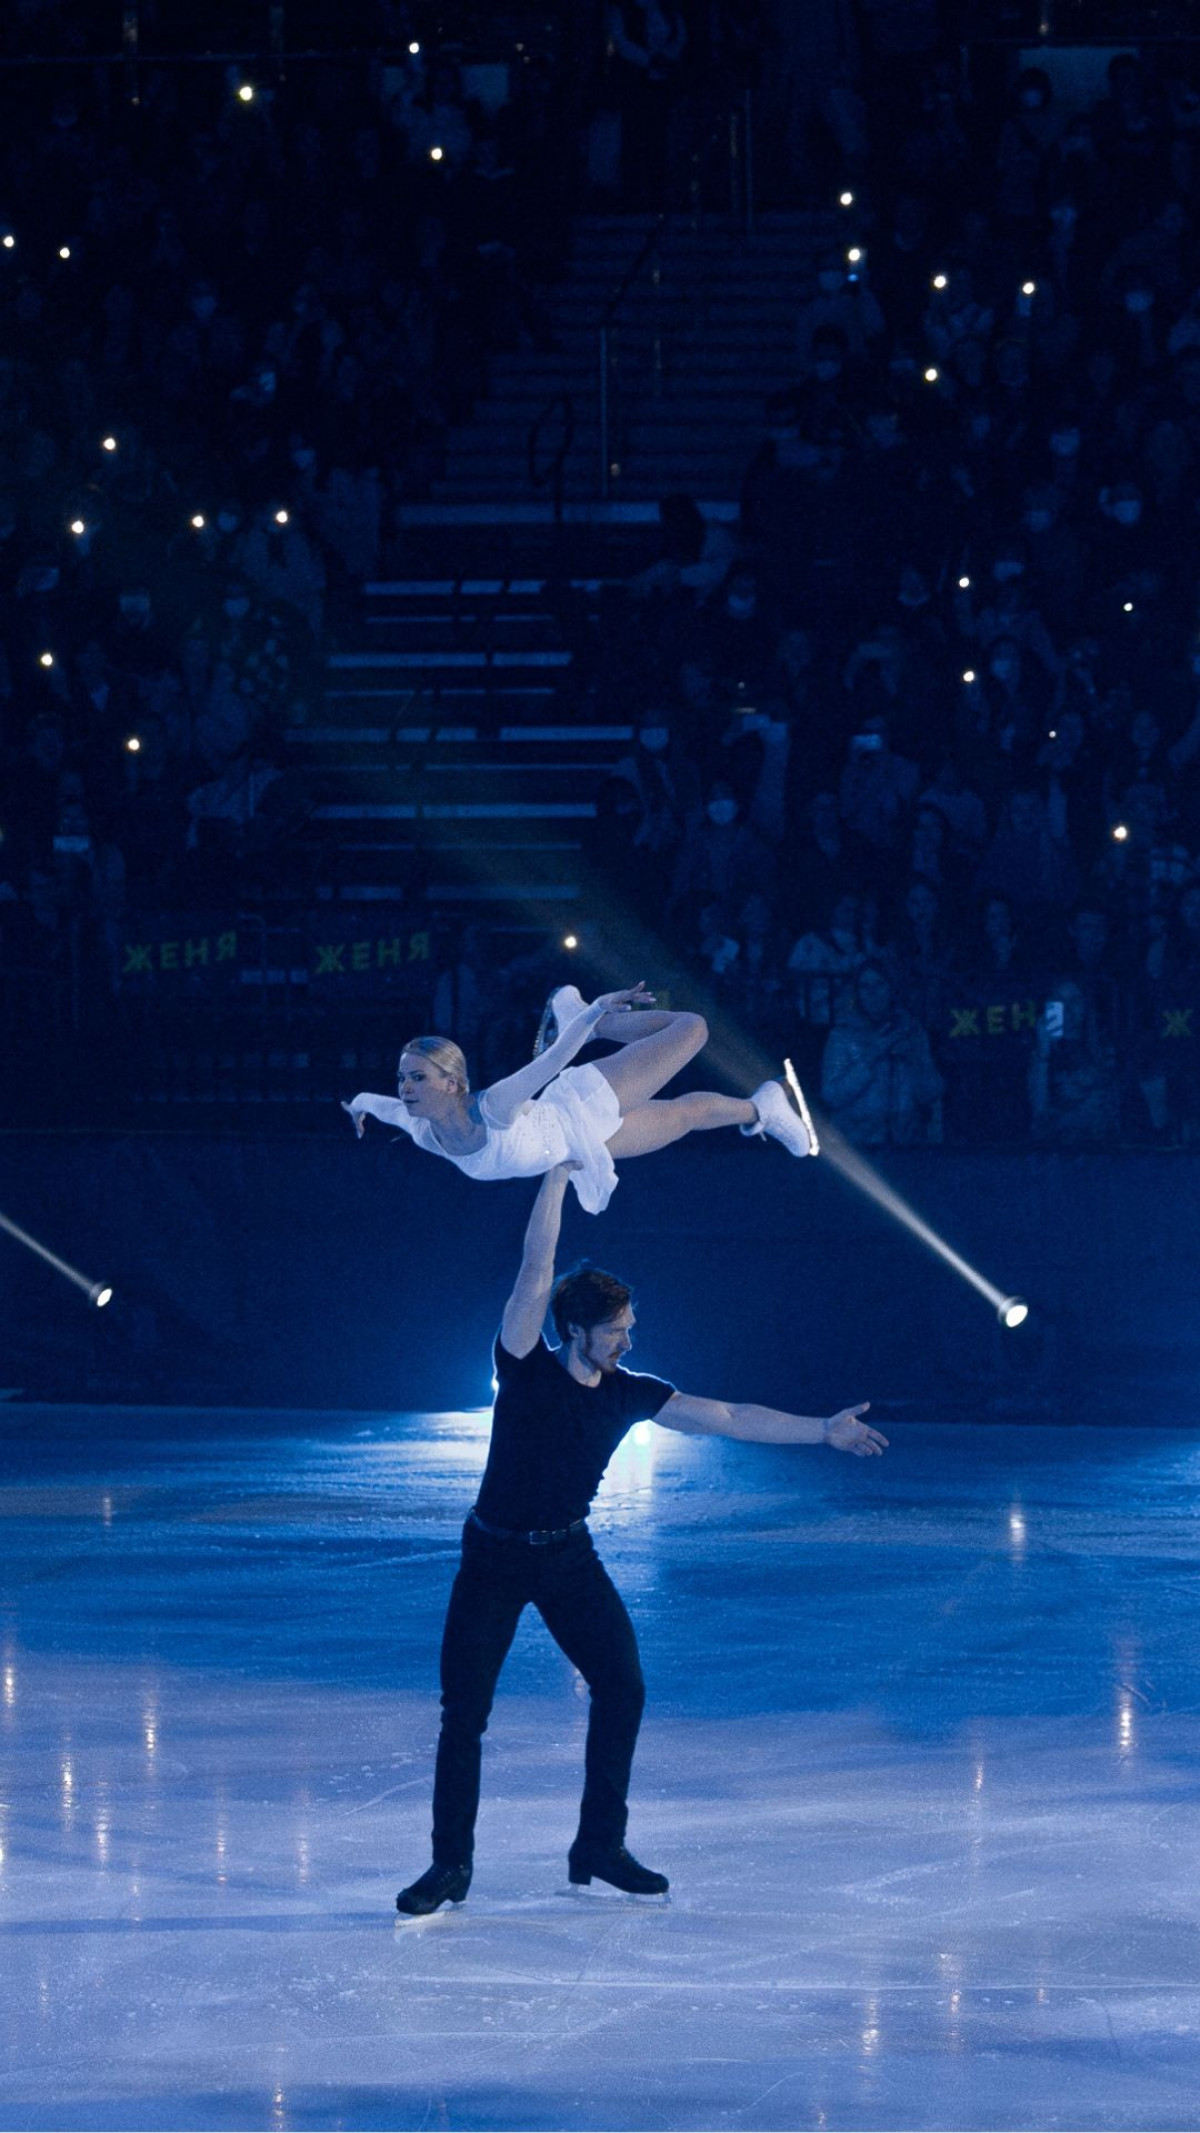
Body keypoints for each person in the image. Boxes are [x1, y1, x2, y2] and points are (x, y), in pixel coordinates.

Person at [395, 1161, 886, 1917]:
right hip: (492, 1556)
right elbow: (536, 1268)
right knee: (466, 1712)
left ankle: (599, 1843)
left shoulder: (629, 1392)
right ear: (576, 1331)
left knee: (622, 1684)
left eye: (630, 1328)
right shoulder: (524, 1366)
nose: (628, 1339)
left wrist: (822, 1430)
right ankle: (449, 1865)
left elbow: (727, 1415)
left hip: (567, 1556)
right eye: (615, 1330)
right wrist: (557, 1171)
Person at [343, 983, 817, 1214]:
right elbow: (378, 1103)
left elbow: (551, 1063)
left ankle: (587, 1018)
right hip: (588, 1145)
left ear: (451, 1083)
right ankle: (764, 1106)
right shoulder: (424, 1132)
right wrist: (359, 1103)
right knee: (685, 1115)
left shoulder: (493, 1108)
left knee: (693, 1028)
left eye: (417, 1078)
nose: (405, 1089)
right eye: (403, 1078)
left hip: (581, 1106)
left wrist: (592, 1015)